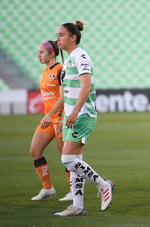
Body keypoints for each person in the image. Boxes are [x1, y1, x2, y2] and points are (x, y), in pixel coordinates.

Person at [54, 21, 114, 216]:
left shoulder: (81, 56)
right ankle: (78, 206)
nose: (58, 38)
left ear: (73, 37)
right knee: (76, 161)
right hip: (71, 116)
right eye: (57, 35)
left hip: (83, 115)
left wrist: (73, 112)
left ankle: (104, 185)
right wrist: (64, 114)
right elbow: (69, 91)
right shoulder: (68, 60)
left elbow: (86, 87)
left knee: (67, 159)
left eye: (62, 35)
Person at [30, 40, 72, 201]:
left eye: (41, 52)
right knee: (35, 151)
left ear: (51, 53)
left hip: (60, 117)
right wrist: (48, 116)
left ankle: (72, 190)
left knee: (66, 156)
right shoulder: (45, 71)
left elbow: (63, 97)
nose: (38, 56)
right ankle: (48, 188)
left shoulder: (60, 70)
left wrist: (54, 116)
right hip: (48, 118)